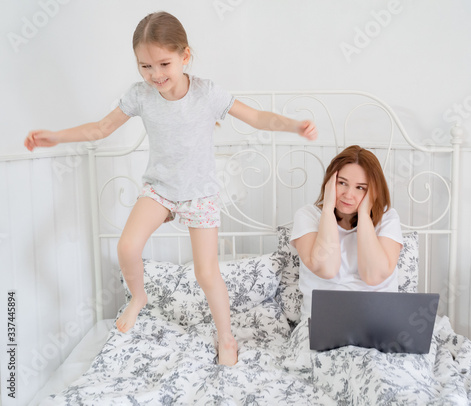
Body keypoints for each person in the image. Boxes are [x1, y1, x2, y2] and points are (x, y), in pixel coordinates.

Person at [24, 11, 317, 366]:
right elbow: (100, 129)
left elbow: (256, 118)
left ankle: (226, 338)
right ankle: (139, 297)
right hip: (160, 190)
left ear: (185, 56)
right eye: (144, 66)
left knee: (206, 273)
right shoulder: (140, 95)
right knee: (127, 247)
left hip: (200, 195)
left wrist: (293, 126)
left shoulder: (207, 93)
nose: (155, 75)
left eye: (163, 63)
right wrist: (54, 137)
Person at [290, 145, 402, 320]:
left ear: (373, 190)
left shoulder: (387, 219)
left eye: (361, 187)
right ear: (329, 183)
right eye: (342, 183)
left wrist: (365, 215)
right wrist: (327, 209)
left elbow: (373, 276)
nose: (348, 195)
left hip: (378, 321)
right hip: (322, 321)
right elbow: (326, 268)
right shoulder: (308, 216)